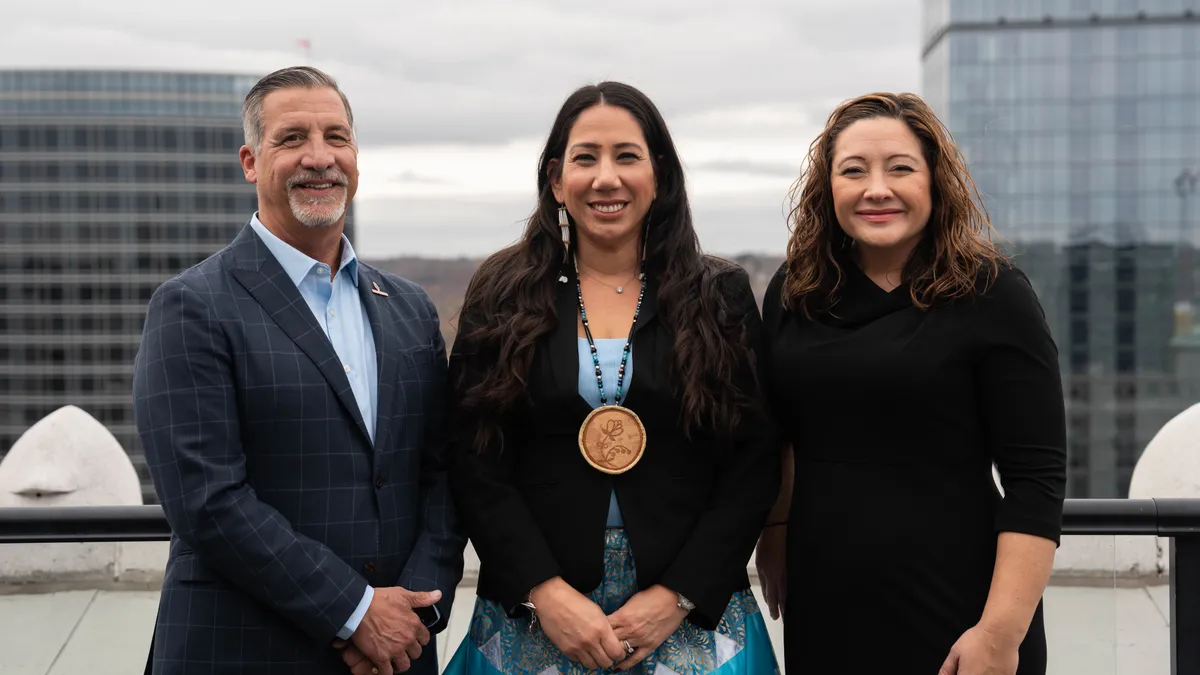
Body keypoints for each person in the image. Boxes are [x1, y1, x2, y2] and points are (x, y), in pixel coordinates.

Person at [132, 66, 465, 675]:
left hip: (396, 655)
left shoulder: (411, 308)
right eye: (292, 139)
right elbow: (208, 501)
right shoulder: (192, 306)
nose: (320, 158)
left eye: (336, 137)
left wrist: (415, 613)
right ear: (251, 161)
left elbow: (444, 472)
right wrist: (355, 612)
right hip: (242, 650)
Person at [441, 81, 781, 674]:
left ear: (660, 175)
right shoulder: (501, 292)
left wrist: (677, 596)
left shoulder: (718, 295)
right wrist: (544, 592)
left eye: (627, 156)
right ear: (555, 180)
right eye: (585, 157)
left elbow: (752, 464)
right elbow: (474, 460)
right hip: (537, 613)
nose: (606, 178)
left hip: (689, 612)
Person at [753, 91, 1067, 675]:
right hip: (826, 595)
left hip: (960, 604)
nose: (877, 189)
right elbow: (780, 432)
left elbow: (1037, 480)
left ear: (934, 182)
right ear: (828, 188)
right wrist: (774, 529)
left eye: (900, 168)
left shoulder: (993, 293)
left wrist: (1000, 633)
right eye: (854, 170)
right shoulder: (796, 293)